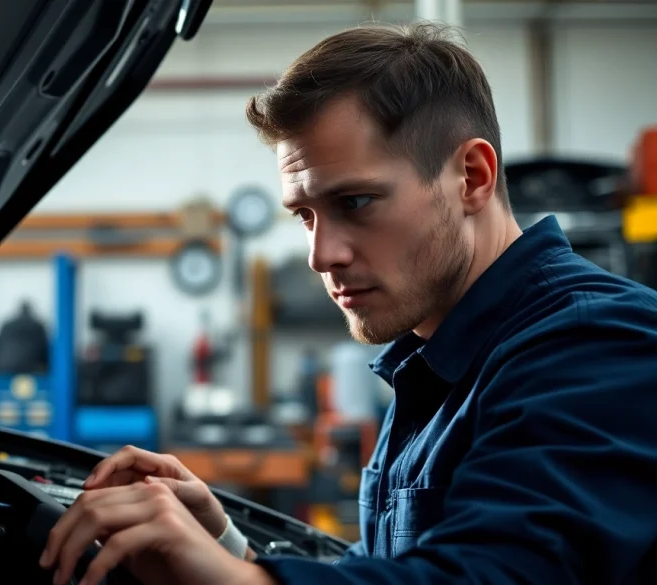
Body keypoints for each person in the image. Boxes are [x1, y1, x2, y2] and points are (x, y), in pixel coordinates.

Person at [39, 21, 657, 585]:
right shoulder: (432, 362)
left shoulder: (598, 344)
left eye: (355, 203)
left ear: (471, 177)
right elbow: (398, 571)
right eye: (305, 215)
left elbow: (493, 575)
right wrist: (231, 549)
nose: (320, 255)